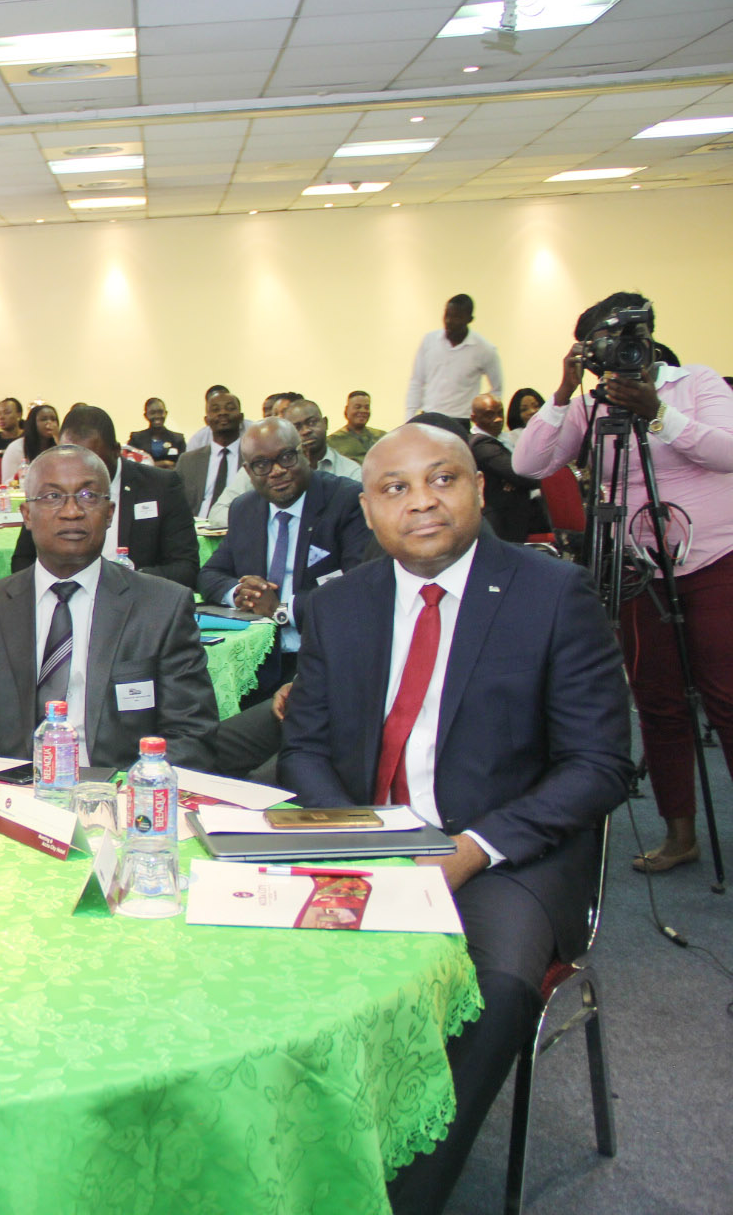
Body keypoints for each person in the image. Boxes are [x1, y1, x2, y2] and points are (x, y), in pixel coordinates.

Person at [280, 423, 632, 1213]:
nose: (422, 501)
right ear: (367, 511)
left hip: (508, 852)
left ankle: (403, 1198)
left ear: (478, 488)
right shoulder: (336, 605)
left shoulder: (553, 594)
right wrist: (360, 833)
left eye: (442, 479)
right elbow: (303, 747)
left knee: (488, 988)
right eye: (395, 488)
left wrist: (473, 849)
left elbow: (600, 764)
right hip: (366, 839)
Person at [514, 291, 733, 873]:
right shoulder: (592, 404)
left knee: (727, 696)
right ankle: (679, 835)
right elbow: (529, 464)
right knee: (658, 703)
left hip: (716, 561)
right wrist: (563, 395)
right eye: (601, 347)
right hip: (639, 569)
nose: (616, 354)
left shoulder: (697, 383)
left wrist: (659, 413)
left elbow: (729, 451)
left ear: (648, 336)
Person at [0, 444, 219, 767]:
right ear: (27, 515)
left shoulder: (162, 608)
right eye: (52, 496)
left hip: (120, 789)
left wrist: (129, 789)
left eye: (88, 496)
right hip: (8, 788)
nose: (72, 512)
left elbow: (192, 736)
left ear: (109, 514)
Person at [199, 417, 369, 702]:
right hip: (260, 658)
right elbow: (209, 574)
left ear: (306, 454)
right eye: (262, 464)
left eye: (286, 457)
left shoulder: (345, 500)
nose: (277, 471)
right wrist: (241, 593)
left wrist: (281, 609)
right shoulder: (245, 509)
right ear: (248, 472)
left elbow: (357, 589)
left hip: (324, 657)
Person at [11, 404, 198, 589]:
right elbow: (23, 561)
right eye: (69, 458)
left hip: (135, 598)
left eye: (93, 462)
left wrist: (123, 581)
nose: (80, 470)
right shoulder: (46, 489)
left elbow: (185, 568)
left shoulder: (160, 486)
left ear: (116, 451)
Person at [205, 397, 362, 526]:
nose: (306, 431)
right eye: (297, 427)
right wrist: (269, 523)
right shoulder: (261, 468)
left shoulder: (351, 472)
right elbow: (218, 512)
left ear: (326, 423)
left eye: (312, 422)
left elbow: (359, 515)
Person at [406, 292, 503, 420]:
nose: (449, 321)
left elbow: (496, 389)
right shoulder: (429, 341)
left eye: (457, 317)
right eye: (447, 315)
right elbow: (417, 381)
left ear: (469, 319)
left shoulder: (484, 349)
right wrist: (410, 417)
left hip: (461, 419)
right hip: (428, 416)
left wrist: (484, 417)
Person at [468, 393, 545, 542]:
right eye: (489, 415)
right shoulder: (480, 445)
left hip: (519, 514)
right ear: (474, 419)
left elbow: (521, 473)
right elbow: (524, 476)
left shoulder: (505, 439)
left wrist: (516, 480)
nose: (498, 419)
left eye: (500, 413)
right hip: (503, 521)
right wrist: (519, 480)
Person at [176, 388, 244, 518]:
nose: (223, 413)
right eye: (215, 409)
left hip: (239, 524)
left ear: (241, 417)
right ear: (206, 420)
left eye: (230, 408)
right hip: (197, 526)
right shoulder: (187, 461)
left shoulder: (252, 458)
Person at [0, 402, 59, 488]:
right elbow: (7, 483)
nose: (49, 423)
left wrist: (58, 440)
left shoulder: (59, 445)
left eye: (53, 419)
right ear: (33, 423)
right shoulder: (16, 448)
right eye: (43, 419)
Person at [325, 389, 385, 461]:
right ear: (346, 410)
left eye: (366, 407)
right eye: (357, 407)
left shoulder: (382, 437)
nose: (363, 411)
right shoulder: (332, 441)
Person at [127, 397, 186, 467]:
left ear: (166, 413)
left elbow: (183, 465)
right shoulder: (136, 439)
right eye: (152, 413)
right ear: (146, 416)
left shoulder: (178, 439)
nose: (157, 416)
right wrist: (163, 463)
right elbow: (131, 465)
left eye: (160, 412)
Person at [186, 383, 230, 448]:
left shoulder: (247, 432)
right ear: (206, 420)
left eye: (229, 407)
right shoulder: (197, 441)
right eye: (216, 409)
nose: (222, 412)